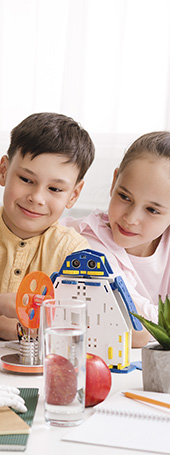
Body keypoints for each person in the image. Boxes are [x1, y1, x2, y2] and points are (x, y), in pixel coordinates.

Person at [0, 113, 94, 341]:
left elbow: (79, 330)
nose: (37, 198)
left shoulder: (73, 251)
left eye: (55, 189)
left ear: (73, 195)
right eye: (26, 180)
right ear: (4, 170)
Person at [64, 132, 170, 347]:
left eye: (152, 210)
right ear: (114, 181)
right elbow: (126, 316)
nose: (131, 219)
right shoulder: (89, 240)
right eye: (124, 197)